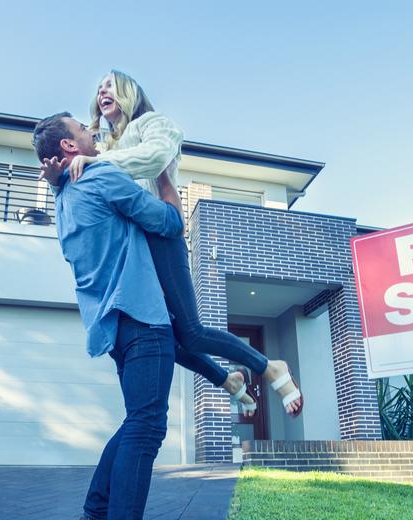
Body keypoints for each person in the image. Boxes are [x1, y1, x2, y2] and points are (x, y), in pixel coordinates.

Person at [42, 70, 303, 421]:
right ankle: (230, 380)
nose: (102, 91)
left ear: (128, 92)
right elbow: (85, 185)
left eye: (109, 85)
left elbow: (154, 156)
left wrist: (96, 161)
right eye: (98, 88)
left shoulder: (154, 124)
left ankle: (268, 366)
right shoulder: (105, 148)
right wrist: (58, 178)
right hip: (137, 249)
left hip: (163, 235)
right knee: (168, 339)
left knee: (191, 334)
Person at [33, 111, 183, 520]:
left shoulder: (63, 197)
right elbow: (169, 223)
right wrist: (166, 181)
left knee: (137, 420)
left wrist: (59, 179)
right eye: (82, 128)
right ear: (70, 149)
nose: (92, 130)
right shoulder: (100, 176)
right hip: (143, 319)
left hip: (114, 329)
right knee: (146, 431)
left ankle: (93, 513)